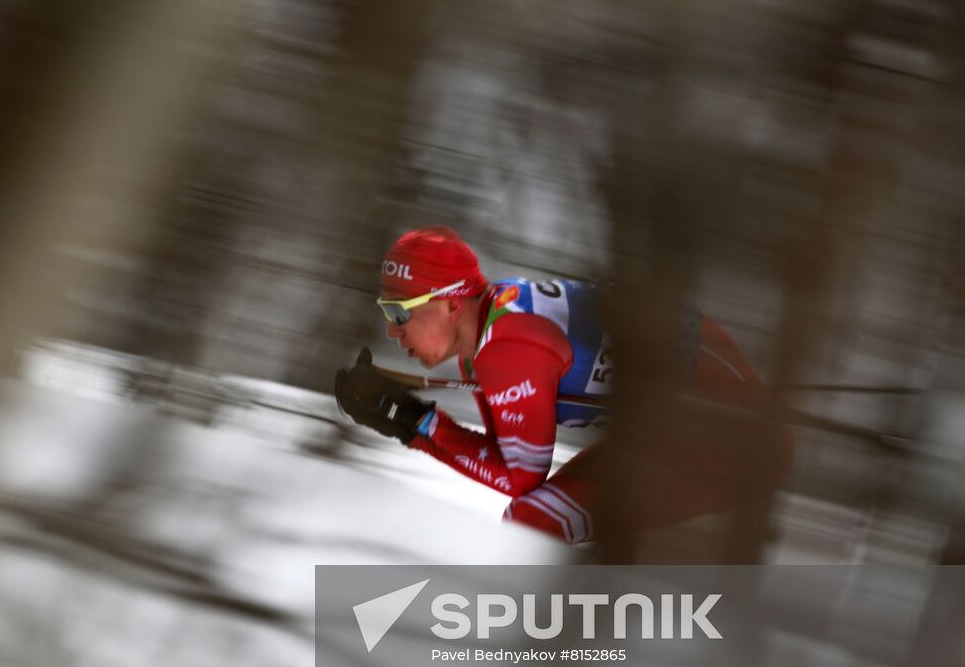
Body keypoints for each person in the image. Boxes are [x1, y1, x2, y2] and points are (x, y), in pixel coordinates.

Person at [333, 225, 792, 544]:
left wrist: (413, 423)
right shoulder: (493, 330)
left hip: (736, 445)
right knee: (535, 520)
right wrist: (412, 422)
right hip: (667, 435)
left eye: (400, 312)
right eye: (386, 313)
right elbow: (510, 464)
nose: (393, 331)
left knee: (534, 522)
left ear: (452, 302)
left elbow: (520, 478)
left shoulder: (506, 348)